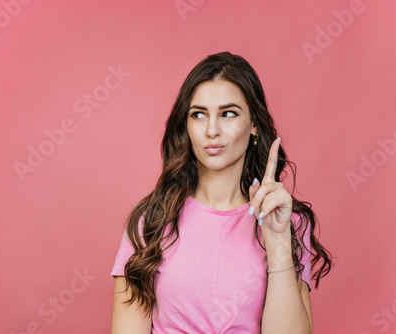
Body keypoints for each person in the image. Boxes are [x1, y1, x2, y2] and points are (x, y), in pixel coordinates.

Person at [110, 51, 333, 334]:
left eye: (228, 113)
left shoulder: (288, 221)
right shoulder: (151, 221)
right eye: (199, 115)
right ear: (186, 125)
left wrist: (277, 242)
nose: (212, 130)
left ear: (254, 124)